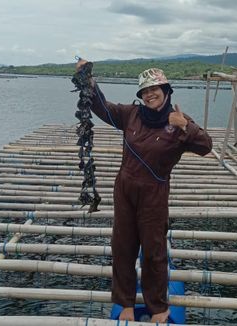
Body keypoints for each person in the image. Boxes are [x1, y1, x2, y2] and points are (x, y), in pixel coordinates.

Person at [75, 59, 212, 322]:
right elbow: (103, 108)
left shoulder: (179, 121)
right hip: (124, 189)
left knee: (153, 251)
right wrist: (88, 79)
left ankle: (158, 307)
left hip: (154, 193)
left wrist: (185, 125)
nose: (149, 94)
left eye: (155, 89)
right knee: (123, 247)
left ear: (166, 90)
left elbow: (206, 146)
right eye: (145, 91)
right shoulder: (132, 115)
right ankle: (124, 301)